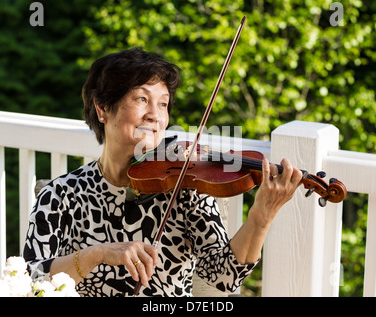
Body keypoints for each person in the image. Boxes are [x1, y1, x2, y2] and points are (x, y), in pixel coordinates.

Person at [23, 47, 302, 297]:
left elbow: (224, 277)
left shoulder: (184, 187)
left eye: (163, 103)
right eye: (142, 99)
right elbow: (31, 279)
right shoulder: (60, 195)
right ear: (102, 109)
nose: (155, 115)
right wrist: (94, 255)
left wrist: (261, 217)